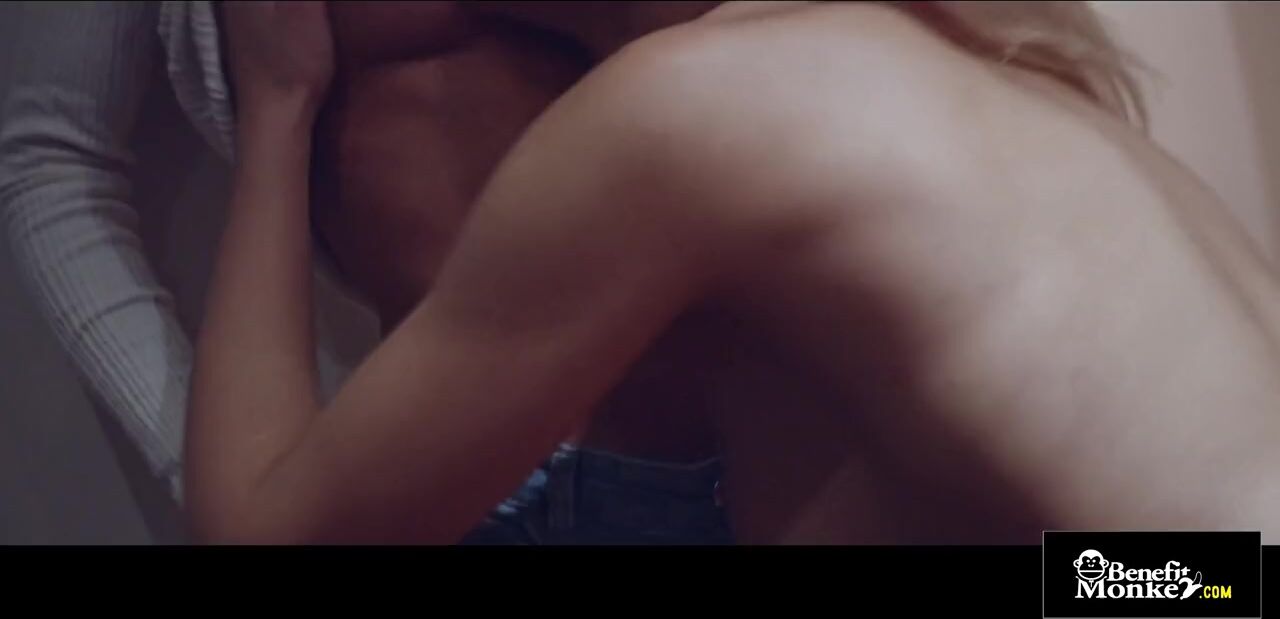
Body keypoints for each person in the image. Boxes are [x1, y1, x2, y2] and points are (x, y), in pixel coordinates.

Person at [188, 0, 1280, 545]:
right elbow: (1211, 579)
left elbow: (263, 533)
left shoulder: (685, 114)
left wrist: (278, 104)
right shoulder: (979, 67)